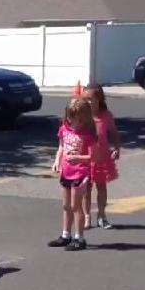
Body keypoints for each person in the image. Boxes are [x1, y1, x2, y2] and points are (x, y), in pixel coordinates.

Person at [49, 97, 97, 251]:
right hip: (66, 171)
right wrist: (57, 161)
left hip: (80, 173)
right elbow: (61, 147)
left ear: (83, 119)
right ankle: (65, 234)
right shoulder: (64, 129)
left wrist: (78, 158)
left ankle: (79, 238)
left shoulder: (87, 135)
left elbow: (94, 157)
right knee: (66, 206)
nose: (72, 123)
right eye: (70, 119)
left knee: (75, 206)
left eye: (75, 120)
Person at [82, 85, 121, 230]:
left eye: (90, 99)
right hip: (85, 157)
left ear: (98, 99)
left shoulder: (106, 116)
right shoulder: (82, 116)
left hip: (102, 158)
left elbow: (114, 133)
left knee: (102, 188)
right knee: (86, 189)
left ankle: (102, 215)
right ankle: (86, 216)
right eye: (84, 99)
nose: (87, 102)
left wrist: (116, 147)